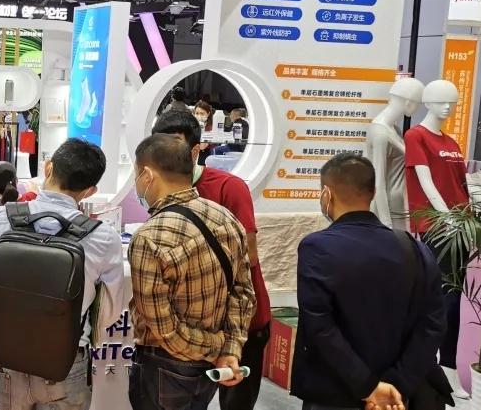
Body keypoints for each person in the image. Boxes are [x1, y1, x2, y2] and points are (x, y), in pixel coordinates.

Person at [0, 138, 126, 410]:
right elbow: (107, 316)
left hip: (8, 356)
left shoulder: (0, 218)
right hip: (65, 363)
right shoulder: (104, 238)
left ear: (48, 168)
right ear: (91, 190)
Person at [291, 153, 448, 410]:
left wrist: (368, 386)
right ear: (373, 192)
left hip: (336, 393)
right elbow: (433, 324)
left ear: (326, 194)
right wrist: (396, 384)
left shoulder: (316, 247)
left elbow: (320, 325)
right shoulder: (414, 248)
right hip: (400, 398)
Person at [151, 109, 271, 410]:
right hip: (194, 330)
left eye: (175, 148)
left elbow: (248, 255)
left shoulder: (228, 187)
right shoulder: (160, 190)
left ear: (195, 150)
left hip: (240, 323)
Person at [128, 133, 255, 410]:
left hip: (164, 365)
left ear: (148, 175)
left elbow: (163, 328)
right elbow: (244, 293)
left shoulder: (149, 237)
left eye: (136, 174)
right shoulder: (226, 218)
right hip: (209, 368)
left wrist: (215, 347)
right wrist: (228, 349)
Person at [192, 100, 215, 166]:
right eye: (197, 113)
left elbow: (202, 147)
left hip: (204, 156)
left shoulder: (211, 128)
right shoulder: (191, 125)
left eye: (202, 113)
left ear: (208, 114)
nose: (199, 116)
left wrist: (202, 128)